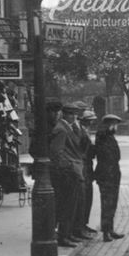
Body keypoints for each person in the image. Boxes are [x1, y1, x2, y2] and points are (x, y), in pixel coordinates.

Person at [50, 105, 85, 247]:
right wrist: (69, 167)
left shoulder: (67, 128)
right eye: (72, 114)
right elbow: (56, 153)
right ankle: (63, 236)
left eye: (75, 114)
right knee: (66, 206)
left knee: (71, 206)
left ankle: (67, 234)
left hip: (73, 171)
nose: (74, 117)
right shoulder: (61, 129)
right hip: (68, 174)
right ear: (66, 115)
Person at [94, 114, 125, 242]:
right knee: (107, 205)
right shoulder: (103, 137)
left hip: (113, 175)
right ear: (110, 125)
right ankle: (106, 232)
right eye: (115, 125)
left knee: (112, 204)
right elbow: (106, 156)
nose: (116, 127)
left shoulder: (109, 137)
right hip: (106, 175)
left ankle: (110, 229)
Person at [75, 108, 98, 235]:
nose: (91, 123)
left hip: (88, 166)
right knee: (84, 197)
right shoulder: (80, 132)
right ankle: (80, 225)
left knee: (88, 196)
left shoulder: (85, 131)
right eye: (89, 121)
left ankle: (84, 223)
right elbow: (82, 150)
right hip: (84, 167)